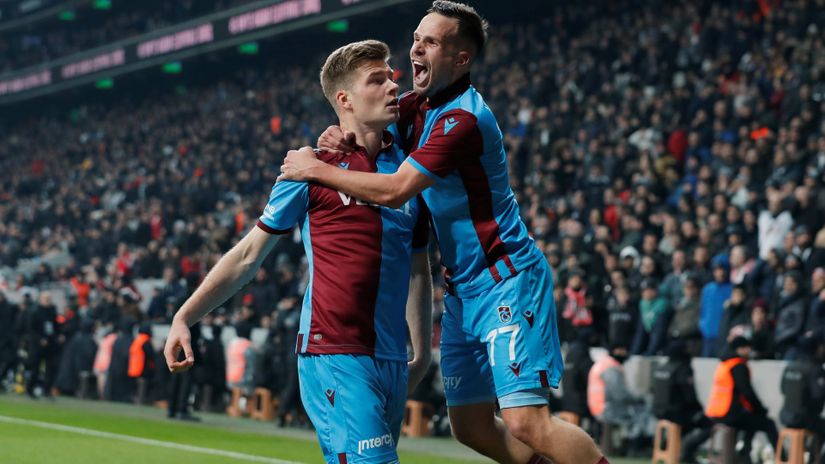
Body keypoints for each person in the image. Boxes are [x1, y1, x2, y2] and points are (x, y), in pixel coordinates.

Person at [279, 2, 606, 463]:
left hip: (504, 275)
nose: (414, 49)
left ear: (461, 59)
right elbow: (363, 124)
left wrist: (316, 168)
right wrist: (337, 136)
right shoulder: (413, 107)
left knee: (524, 421)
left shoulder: (463, 118)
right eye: (416, 38)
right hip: (461, 290)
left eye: (430, 42)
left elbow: (395, 190)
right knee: (470, 426)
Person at [164, 40, 433, 464]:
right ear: (344, 98)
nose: (392, 86)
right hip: (334, 351)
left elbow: (419, 266)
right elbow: (249, 255)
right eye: (377, 80)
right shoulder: (308, 170)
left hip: (391, 356)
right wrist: (184, 317)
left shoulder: (408, 171)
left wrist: (419, 351)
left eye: (391, 76)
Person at [705, 336, 778, 461]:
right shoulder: (738, 365)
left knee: (752, 420)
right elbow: (747, 392)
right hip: (730, 414)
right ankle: (781, 456)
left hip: (717, 412)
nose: (749, 350)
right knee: (767, 424)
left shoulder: (725, 364)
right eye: (746, 347)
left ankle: (744, 454)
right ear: (739, 349)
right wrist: (760, 408)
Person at [587, 343, 654, 457]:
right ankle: (635, 447)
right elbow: (621, 395)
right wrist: (640, 399)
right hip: (606, 409)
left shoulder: (602, 364)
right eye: (622, 350)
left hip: (598, 406)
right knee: (641, 412)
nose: (625, 353)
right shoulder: (610, 367)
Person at [652, 341, 713, 463]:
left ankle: (667, 445)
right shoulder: (683, 368)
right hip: (677, 413)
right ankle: (688, 452)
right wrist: (699, 410)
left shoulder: (661, 367)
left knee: (684, 426)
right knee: (709, 424)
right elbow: (689, 395)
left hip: (659, 412)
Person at [779, 331, 825, 440]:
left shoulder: (790, 367)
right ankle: (816, 457)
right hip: (804, 418)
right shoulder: (814, 369)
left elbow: (783, 389)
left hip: (785, 416)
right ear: (815, 348)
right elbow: (818, 395)